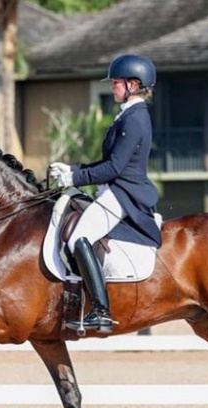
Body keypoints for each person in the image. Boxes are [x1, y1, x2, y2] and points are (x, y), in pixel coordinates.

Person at [48, 54, 162, 334]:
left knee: (78, 238)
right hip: (114, 188)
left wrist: (74, 177)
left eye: (116, 82)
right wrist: (73, 169)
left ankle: (101, 310)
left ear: (134, 85)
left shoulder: (134, 118)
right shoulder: (128, 114)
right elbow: (106, 163)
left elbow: (114, 168)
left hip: (123, 193)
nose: (112, 86)